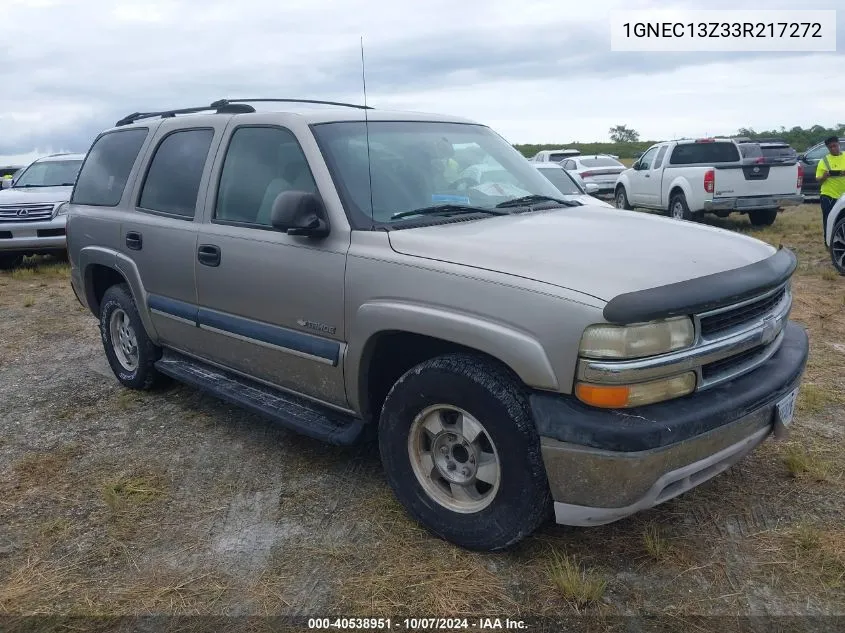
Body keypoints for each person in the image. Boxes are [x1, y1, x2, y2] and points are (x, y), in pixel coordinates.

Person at [816, 136, 845, 239]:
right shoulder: (823, 161)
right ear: (827, 148)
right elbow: (818, 179)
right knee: (829, 220)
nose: (833, 149)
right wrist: (824, 177)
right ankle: (828, 241)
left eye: (835, 146)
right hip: (828, 195)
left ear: (839, 144)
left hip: (843, 196)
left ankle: (840, 240)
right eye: (830, 147)